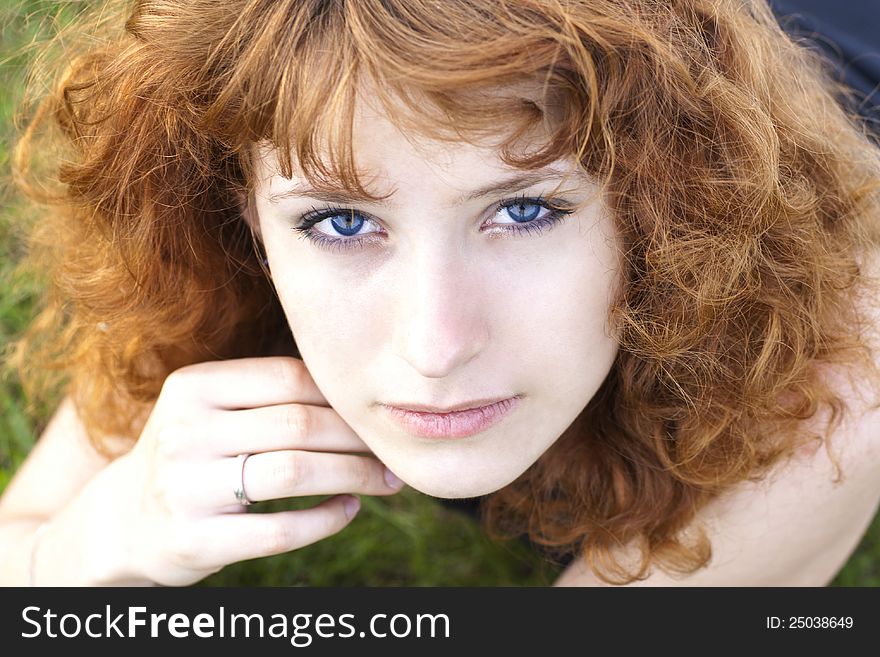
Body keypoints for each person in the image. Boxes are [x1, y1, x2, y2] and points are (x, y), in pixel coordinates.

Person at [2, 0, 880, 587]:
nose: (434, 344)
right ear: (243, 210)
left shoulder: (837, 366)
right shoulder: (220, 271)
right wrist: (96, 538)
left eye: (525, 207)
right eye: (341, 223)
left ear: (666, 204)